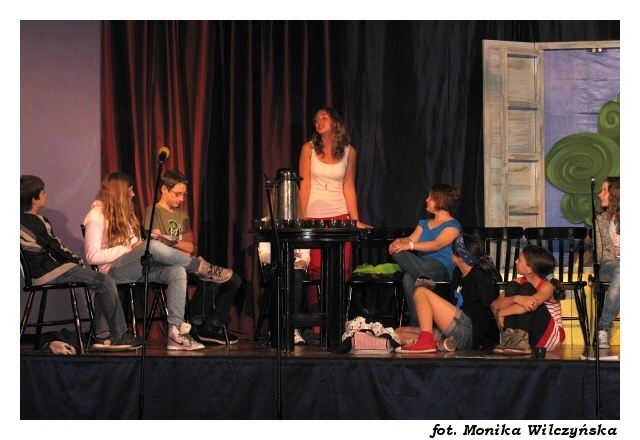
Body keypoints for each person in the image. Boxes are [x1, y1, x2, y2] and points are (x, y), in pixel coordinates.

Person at [83, 172, 230, 351]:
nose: (133, 194)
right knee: (151, 246)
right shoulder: (96, 215)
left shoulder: (126, 215)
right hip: (112, 271)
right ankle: (198, 267)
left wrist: (140, 246)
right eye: (130, 190)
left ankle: (175, 332)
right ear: (120, 191)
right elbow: (92, 256)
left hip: (136, 269)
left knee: (177, 271)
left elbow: (135, 245)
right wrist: (129, 248)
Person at [20, 175, 142, 350]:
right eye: (43, 193)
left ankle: (103, 334)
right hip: (50, 269)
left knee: (102, 281)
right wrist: (76, 261)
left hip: (37, 272)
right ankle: (119, 335)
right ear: (34, 199)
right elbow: (56, 247)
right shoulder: (38, 221)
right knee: (105, 281)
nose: (46, 195)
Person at [143, 169, 239, 345]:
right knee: (209, 276)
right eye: (177, 194)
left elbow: (192, 247)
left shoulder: (182, 214)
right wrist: (179, 247)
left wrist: (172, 243)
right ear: (164, 189)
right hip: (167, 266)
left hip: (188, 262)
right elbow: (157, 244)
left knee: (234, 279)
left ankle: (212, 325)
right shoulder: (153, 211)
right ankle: (196, 323)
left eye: (184, 194)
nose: (181, 199)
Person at [298, 107, 373, 320]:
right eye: (316, 119)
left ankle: (337, 320)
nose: (318, 121)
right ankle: (317, 324)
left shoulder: (349, 152)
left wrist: (354, 220)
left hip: (340, 217)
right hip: (314, 217)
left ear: (335, 123)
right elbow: (305, 185)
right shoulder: (308, 149)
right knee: (314, 271)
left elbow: (348, 185)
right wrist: (301, 218)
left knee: (341, 269)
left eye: (324, 117)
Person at [395, 233, 501, 353]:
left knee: (421, 292)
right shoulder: (457, 273)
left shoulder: (478, 276)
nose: (450, 254)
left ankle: (426, 342)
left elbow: (494, 306)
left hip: (469, 331)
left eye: (453, 251)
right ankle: (440, 344)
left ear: (460, 257)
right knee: (399, 333)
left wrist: (502, 337)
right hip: (455, 331)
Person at [389, 183, 462, 327]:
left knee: (408, 276)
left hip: (441, 267)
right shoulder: (424, 223)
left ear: (440, 200)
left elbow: (437, 244)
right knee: (400, 257)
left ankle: (416, 324)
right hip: (422, 265)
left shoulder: (453, 225)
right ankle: (421, 278)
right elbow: (410, 239)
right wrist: (398, 242)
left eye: (431, 197)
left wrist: (409, 245)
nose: (427, 200)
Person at [491, 244, 566, 355]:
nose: (516, 261)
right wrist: (516, 298)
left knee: (527, 289)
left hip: (550, 337)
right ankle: (511, 338)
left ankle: (521, 341)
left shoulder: (547, 286)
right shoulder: (518, 282)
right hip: (531, 335)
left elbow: (531, 305)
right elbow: (495, 304)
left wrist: (502, 312)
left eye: (520, 260)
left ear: (530, 268)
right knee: (512, 286)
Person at [258, 240, 311, 345]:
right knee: (282, 276)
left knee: (295, 275)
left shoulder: (298, 229)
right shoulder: (269, 228)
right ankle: (277, 329)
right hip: (274, 265)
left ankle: (292, 328)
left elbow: (305, 255)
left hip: (296, 267)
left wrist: (303, 262)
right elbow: (263, 254)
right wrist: (284, 261)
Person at [594, 176, 620, 349]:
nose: (600, 195)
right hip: (607, 266)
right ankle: (604, 327)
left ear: (615, 194)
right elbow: (600, 253)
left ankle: (603, 327)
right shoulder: (600, 219)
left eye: (605, 191)